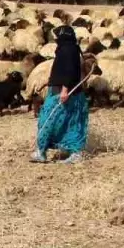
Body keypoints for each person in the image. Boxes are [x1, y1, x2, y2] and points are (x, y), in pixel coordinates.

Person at [32, 26, 89, 165]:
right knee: (60, 121)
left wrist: (64, 90)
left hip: (66, 92)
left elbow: (69, 71)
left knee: (52, 120)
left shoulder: (68, 50)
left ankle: (74, 152)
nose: (56, 39)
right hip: (61, 90)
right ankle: (42, 151)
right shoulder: (69, 49)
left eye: (57, 36)